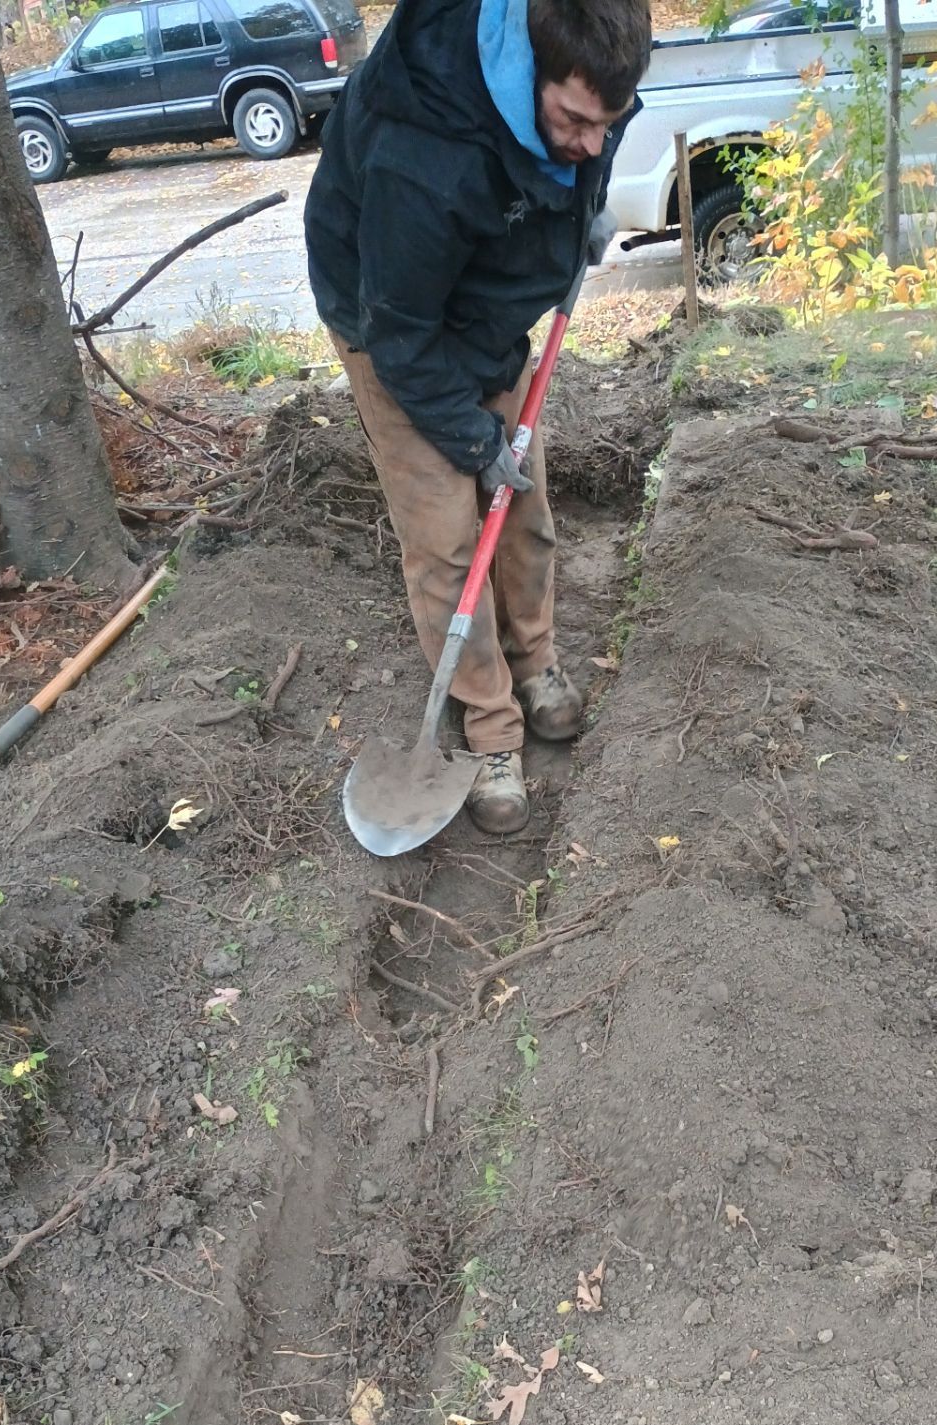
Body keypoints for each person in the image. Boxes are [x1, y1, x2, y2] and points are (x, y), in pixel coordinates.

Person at [305, 0, 651, 834]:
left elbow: (578, 147)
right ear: (527, 67)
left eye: (607, 125)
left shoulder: (579, 71)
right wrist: (470, 437)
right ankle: (491, 725)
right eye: (575, 120)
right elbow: (402, 334)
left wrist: (581, 215)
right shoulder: (424, 153)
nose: (593, 142)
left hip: (483, 297)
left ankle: (536, 665)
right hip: (391, 322)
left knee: (523, 507)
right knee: (449, 538)